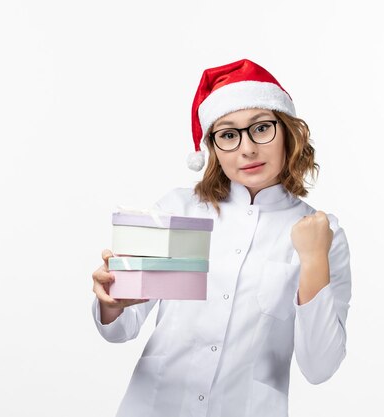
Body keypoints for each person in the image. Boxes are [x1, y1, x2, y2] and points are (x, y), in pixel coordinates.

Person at [90, 58, 352, 417]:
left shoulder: (324, 235)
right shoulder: (178, 209)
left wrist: (314, 261)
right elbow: (119, 330)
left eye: (261, 128)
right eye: (228, 134)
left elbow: (320, 367)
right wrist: (112, 303)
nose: (247, 149)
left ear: (288, 131)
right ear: (212, 146)